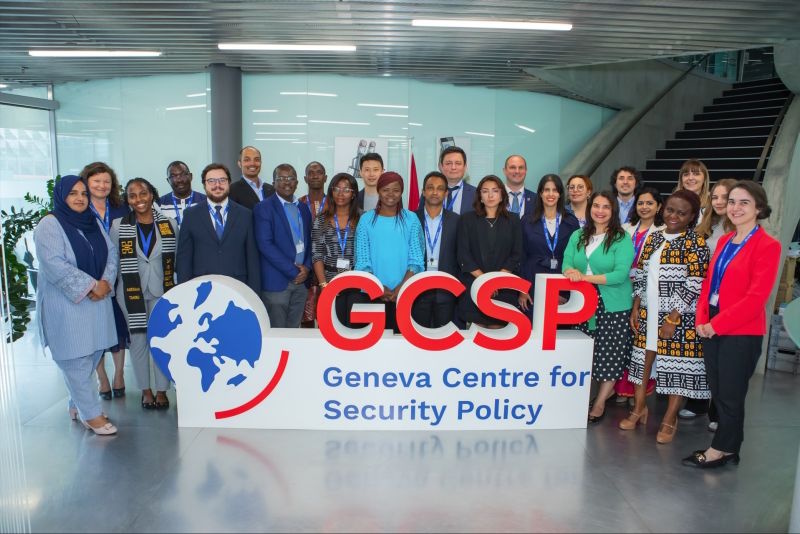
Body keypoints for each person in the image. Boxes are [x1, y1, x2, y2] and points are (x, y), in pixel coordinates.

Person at [686, 180, 781, 468]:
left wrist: (716, 324)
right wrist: (702, 319)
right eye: (732, 202)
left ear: (759, 208)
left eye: (744, 202)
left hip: (741, 331)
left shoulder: (768, 245)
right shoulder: (725, 240)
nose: (735, 208)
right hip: (712, 324)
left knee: (730, 394)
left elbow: (756, 298)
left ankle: (721, 448)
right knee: (719, 391)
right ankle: (730, 446)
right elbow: (708, 284)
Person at [621, 191, 710, 444]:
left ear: (692, 216)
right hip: (648, 312)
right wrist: (636, 306)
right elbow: (640, 273)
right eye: (670, 210)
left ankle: (670, 419)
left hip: (677, 318)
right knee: (642, 363)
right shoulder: (654, 237)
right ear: (663, 209)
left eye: (682, 213)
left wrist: (672, 318)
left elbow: (695, 283)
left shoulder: (695, 242)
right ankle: (639, 409)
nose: (674, 216)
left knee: (676, 368)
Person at [33, 175, 119, 435]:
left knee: (93, 355)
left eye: (83, 193)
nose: (80, 198)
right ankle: (91, 414)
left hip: (97, 304)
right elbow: (54, 263)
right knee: (76, 361)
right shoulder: (49, 224)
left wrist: (105, 282)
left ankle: (77, 404)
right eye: (73, 193)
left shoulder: (92, 221)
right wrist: (91, 286)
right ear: (62, 196)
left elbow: (111, 253)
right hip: (67, 306)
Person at [562, 190, 634, 423]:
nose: (600, 211)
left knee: (609, 353)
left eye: (606, 207)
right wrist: (570, 272)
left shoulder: (621, 238)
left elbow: (620, 274)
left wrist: (584, 278)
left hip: (612, 304)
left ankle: (601, 401)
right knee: (584, 352)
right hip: (582, 303)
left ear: (613, 211)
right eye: (596, 206)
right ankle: (586, 396)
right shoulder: (578, 235)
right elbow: (567, 263)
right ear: (590, 207)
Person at [110, 178, 178, 411]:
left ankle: (162, 390)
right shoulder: (118, 226)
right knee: (138, 340)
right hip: (131, 292)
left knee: (161, 339)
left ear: (152, 195)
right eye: (132, 195)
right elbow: (114, 260)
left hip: (163, 289)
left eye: (143, 193)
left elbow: (175, 259)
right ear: (127, 200)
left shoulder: (169, 224)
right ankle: (145, 390)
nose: (139, 199)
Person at [80, 161, 129, 401]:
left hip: (121, 275)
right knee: (96, 329)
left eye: (106, 181)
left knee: (118, 326)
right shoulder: (80, 210)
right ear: (86, 183)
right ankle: (102, 378)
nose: (102, 185)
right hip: (92, 277)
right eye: (96, 181)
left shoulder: (121, 208)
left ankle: (119, 374)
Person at [355, 172, 424, 332]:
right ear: (378, 191)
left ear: (401, 192)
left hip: (405, 293)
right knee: (374, 342)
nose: (391, 194)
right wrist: (379, 288)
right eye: (386, 190)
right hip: (372, 293)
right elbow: (362, 260)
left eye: (396, 190)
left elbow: (416, 259)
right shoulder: (366, 220)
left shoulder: (411, 219)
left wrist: (401, 288)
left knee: (403, 342)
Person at [176, 163, 261, 294]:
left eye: (222, 180)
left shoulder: (245, 214)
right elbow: (184, 259)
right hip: (201, 288)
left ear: (229, 183)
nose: (217, 185)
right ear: (204, 185)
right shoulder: (190, 215)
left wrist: (254, 293)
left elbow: (252, 258)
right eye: (211, 181)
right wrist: (184, 292)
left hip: (238, 287)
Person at [456, 175, 522, 328]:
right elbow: (463, 255)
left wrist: (496, 281)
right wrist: (485, 282)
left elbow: (516, 254)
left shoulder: (513, 220)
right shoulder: (467, 219)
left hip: (503, 288)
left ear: (502, 195)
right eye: (485, 191)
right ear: (480, 196)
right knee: (477, 335)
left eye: (495, 191)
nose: (490, 195)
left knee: (499, 334)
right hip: (475, 285)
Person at [253, 164, 313, 328]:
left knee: (294, 332)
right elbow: (265, 244)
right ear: (273, 183)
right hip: (277, 283)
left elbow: (309, 241)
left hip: (301, 282)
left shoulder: (303, 208)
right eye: (281, 178)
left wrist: (307, 268)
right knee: (277, 332)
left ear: (297, 183)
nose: (287, 182)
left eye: (291, 178)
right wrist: (294, 271)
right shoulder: (263, 208)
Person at [518, 174, 579, 316]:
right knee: (533, 324)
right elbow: (521, 256)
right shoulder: (527, 221)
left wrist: (565, 291)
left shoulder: (571, 222)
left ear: (560, 194)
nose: (550, 194)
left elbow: (576, 258)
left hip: (562, 282)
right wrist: (522, 289)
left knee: (559, 326)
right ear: (540, 193)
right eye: (546, 190)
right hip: (532, 282)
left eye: (555, 190)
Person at [311, 173, 362, 327]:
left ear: (353, 194)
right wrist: (324, 285)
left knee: (355, 329)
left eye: (346, 189)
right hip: (329, 282)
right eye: (337, 189)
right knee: (331, 329)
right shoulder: (321, 219)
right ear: (331, 191)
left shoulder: (363, 218)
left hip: (357, 282)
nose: (341, 193)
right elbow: (317, 254)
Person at [413, 171, 461, 328]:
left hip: (446, 288)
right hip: (417, 286)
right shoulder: (411, 218)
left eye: (440, 188)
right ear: (423, 192)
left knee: (443, 335)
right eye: (430, 188)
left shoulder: (457, 220)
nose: (435, 192)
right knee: (418, 333)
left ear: (446, 193)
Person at [298, 161, 329, 327]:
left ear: (325, 177)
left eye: (319, 172)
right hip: (305, 268)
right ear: (305, 178)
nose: (315, 175)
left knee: (328, 318)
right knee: (306, 320)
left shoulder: (335, 204)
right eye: (311, 173)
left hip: (329, 267)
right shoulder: (298, 204)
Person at [623, 187, 665, 275]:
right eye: (640, 203)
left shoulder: (664, 231)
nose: (644, 207)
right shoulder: (625, 228)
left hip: (649, 278)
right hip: (624, 278)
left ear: (659, 206)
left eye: (649, 203)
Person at [158, 160, 206, 227]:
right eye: (173, 176)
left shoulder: (205, 201)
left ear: (191, 176)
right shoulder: (159, 204)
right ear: (168, 180)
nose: (179, 180)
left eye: (183, 174)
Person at [696, 178, 737, 254]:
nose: (718, 202)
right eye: (715, 198)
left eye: (725, 197)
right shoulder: (708, 223)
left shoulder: (744, 228)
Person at [439, 146, 476, 215]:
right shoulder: (430, 192)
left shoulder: (476, 194)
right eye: (448, 163)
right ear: (441, 167)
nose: (453, 167)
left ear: (465, 167)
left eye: (458, 163)